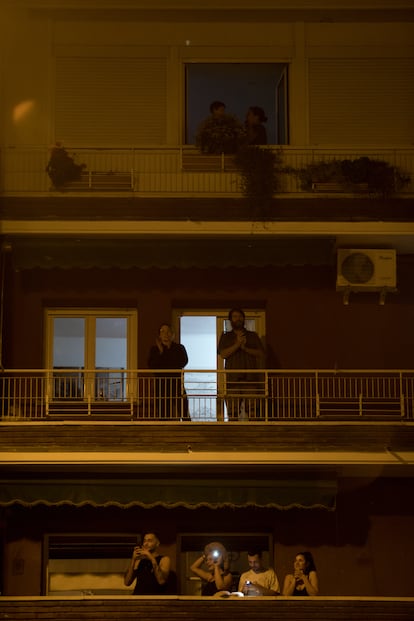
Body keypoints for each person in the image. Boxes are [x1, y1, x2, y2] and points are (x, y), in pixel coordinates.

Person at [218, 308, 265, 420]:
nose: (238, 319)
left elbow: (261, 353)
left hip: (251, 379)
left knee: (253, 412)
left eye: (240, 316)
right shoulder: (226, 336)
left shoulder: (252, 335)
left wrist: (245, 348)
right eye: (235, 316)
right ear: (230, 320)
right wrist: (237, 344)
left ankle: (254, 436)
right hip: (232, 380)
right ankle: (233, 437)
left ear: (243, 318)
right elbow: (223, 354)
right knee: (232, 413)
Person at [147, 323, 190, 420]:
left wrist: (168, 350)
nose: (166, 334)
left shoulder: (179, 348)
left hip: (176, 382)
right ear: (159, 335)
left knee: (183, 408)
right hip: (161, 384)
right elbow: (152, 365)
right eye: (163, 331)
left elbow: (183, 361)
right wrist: (161, 352)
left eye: (168, 331)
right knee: (163, 411)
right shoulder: (155, 349)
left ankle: (188, 427)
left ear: (173, 334)